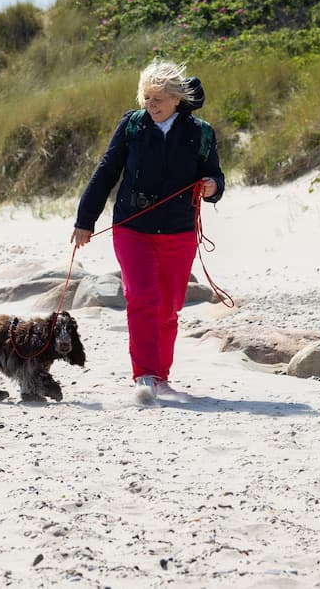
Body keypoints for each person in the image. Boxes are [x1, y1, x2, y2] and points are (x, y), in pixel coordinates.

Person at [72, 60, 224, 405]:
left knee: (169, 307)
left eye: (157, 99)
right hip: (132, 228)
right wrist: (85, 220)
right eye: (146, 98)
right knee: (142, 297)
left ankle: (162, 374)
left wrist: (212, 186)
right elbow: (107, 170)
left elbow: (216, 175)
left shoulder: (200, 132)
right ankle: (145, 375)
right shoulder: (133, 125)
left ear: (175, 99)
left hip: (179, 231)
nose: (150, 105)